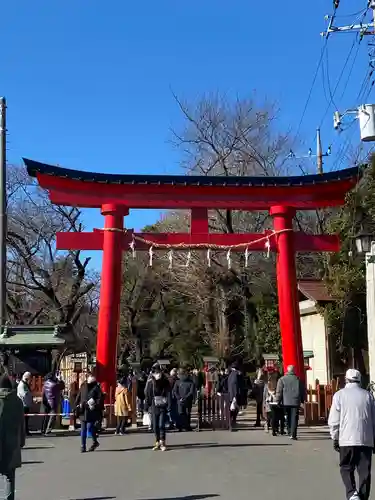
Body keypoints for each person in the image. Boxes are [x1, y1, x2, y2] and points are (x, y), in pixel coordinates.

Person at [328, 369, 375, 500]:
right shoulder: (368, 396)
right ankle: (363, 496)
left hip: (346, 439)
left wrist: (335, 437)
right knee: (364, 471)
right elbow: (374, 419)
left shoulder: (339, 395)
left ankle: (352, 492)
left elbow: (334, 420)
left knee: (346, 467)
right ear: (360, 380)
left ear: (346, 380)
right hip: (366, 439)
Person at [0, 374, 26, 500]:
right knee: (10, 477)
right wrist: (21, 441)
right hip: (12, 443)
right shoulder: (17, 402)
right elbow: (21, 424)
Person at [145, 364, 171, 451]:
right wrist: (146, 406)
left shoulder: (165, 381)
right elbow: (148, 395)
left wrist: (169, 405)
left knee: (161, 425)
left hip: (162, 405)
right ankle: (157, 441)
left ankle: (162, 441)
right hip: (153, 405)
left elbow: (169, 393)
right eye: (156, 372)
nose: (157, 374)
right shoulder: (150, 382)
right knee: (155, 425)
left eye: (159, 372)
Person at [74, 373, 102, 453]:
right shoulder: (83, 386)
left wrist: (94, 403)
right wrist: (76, 405)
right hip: (83, 410)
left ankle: (94, 441)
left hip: (92, 410)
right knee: (83, 429)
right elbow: (79, 396)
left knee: (90, 427)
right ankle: (83, 446)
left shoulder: (96, 388)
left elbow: (100, 399)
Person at [275, 365, 304, 440]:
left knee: (287, 416)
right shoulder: (298, 379)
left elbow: (279, 391)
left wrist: (277, 401)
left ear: (287, 371)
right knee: (294, 417)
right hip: (295, 401)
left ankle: (289, 430)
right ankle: (293, 434)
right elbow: (302, 391)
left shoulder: (282, 379)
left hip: (286, 401)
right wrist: (302, 400)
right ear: (294, 371)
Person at [228, 361, 244, 430]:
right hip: (236, 394)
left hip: (230, 394)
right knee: (235, 409)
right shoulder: (237, 374)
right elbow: (236, 385)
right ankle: (233, 421)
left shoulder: (230, 375)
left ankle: (231, 421)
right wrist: (235, 396)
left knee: (232, 409)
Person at [17, 371, 33, 436]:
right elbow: (23, 394)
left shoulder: (25, 384)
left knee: (26, 420)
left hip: (26, 405)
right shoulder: (22, 385)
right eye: (29, 378)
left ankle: (26, 431)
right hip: (23, 405)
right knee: (24, 420)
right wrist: (30, 395)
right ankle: (24, 432)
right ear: (26, 378)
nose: (30, 380)